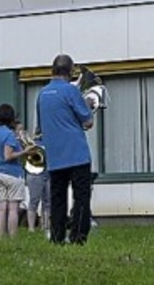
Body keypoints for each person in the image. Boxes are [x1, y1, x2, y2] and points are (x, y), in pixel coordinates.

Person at [37, 54, 95, 245]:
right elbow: (88, 122)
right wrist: (87, 104)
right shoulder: (71, 91)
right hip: (77, 154)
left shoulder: (41, 94)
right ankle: (78, 236)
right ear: (70, 72)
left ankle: (57, 236)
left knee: (57, 198)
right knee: (81, 197)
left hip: (55, 155)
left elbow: (41, 127)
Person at [0, 104, 26, 238]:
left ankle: (1, 237)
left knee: (2, 207)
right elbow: (8, 156)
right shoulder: (9, 134)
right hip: (12, 173)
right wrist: (25, 151)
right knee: (13, 208)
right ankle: (12, 237)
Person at [23, 125, 48, 235]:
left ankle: (46, 226)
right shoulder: (33, 143)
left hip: (48, 173)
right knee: (34, 201)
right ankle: (31, 228)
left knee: (48, 202)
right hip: (34, 174)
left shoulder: (51, 142)